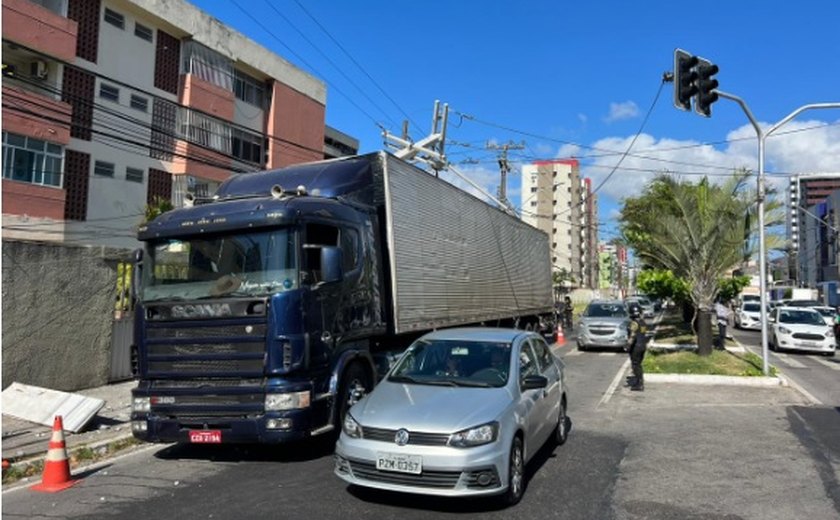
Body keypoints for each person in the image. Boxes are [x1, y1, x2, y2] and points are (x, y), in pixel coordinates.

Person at [626, 303, 648, 391]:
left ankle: (639, 384)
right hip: (643, 345)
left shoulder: (634, 323)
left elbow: (633, 335)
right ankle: (639, 381)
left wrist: (628, 345)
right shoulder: (643, 322)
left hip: (636, 347)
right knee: (638, 364)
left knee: (635, 365)